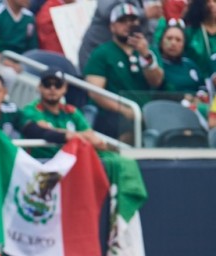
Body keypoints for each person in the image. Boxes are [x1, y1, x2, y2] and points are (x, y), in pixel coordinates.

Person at [84, 3, 164, 142]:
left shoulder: (149, 51)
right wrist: (125, 110)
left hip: (146, 112)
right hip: (113, 114)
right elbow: (95, 92)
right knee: (127, 127)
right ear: (112, 26)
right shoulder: (102, 53)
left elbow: (157, 81)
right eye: (122, 21)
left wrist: (145, 55)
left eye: (133, 20)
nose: (128, 25)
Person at [22, 69, 108, 157]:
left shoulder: (71, 111)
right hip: (39, 160)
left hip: (70, 158)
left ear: (65, 88)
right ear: (39, 87)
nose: (52, 88)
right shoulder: (31, 110)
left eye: (58, 85)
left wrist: (77, 136)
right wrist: (75, 136)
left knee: (110, 159)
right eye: (47, 84)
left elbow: (91, 136)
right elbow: (43, 131)